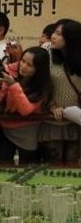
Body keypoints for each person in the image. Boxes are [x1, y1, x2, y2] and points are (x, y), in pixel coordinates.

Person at [0, 46, 52, 164]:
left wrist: (13, 85)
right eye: (22, 61)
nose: (23, 66)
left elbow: (25, 110)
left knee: (27, 166)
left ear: (39, 69)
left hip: (28, 131)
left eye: (30, 65)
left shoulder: (42, 86)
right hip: (6, 128)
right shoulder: (11, 74)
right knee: (2, 165)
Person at [40, 18, 81, 163]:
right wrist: (52, 105)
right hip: (52, 119)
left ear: (71, 39)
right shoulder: (46, 51)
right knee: (53, 165)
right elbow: (41, 83)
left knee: (73, 166)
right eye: (54, 32)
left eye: (58, 34)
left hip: (75, 120)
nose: (53, 36)